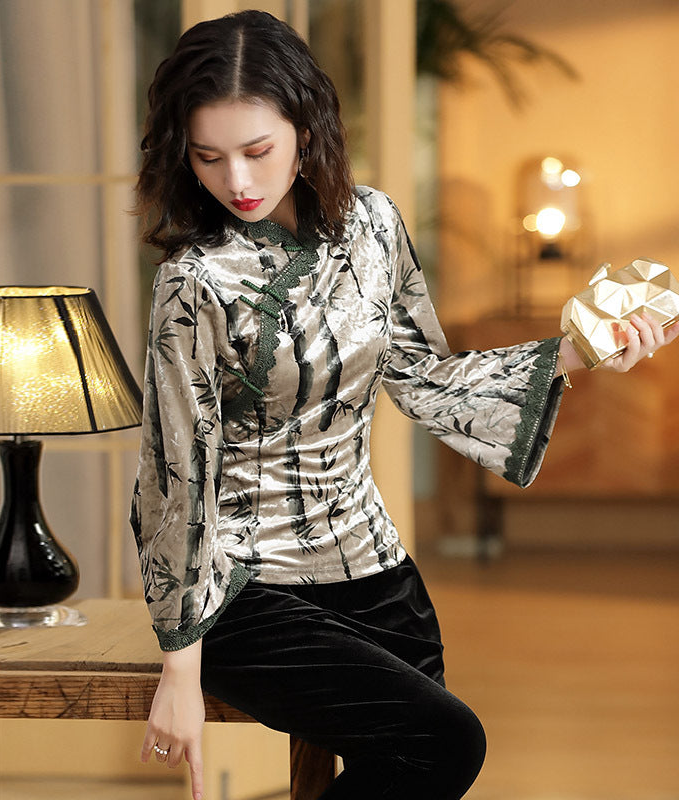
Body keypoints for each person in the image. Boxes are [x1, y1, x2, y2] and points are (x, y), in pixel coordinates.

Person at [130, 10, 678, 800]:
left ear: (305, 132)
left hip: (375, 569)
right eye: (208, 157)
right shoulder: (193, 282)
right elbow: (176, 469)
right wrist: (179, 667)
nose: (237, 181)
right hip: (246, 589)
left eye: (257, 151)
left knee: (423, 769)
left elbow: (424, 377)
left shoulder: (375, 225)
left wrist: (574, 353)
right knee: (448, 743)